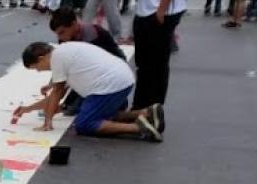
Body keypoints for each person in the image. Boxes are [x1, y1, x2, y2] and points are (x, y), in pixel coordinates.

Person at [14, 42, 163, 140]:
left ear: (41, 58)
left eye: (36, 68)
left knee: (84, 124)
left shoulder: (57, 59)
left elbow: (57, 94)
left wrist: (47, 122)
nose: (39, 71)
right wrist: (28, 109)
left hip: (110, 86)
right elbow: (54, 96)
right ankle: (145, 113)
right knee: (93, 112)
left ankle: (139, 128)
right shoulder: (63, 51)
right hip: (120, 80)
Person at [48, 6, 125, 114]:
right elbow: (64, 65)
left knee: (82, 111)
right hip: (95, 73)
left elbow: (81, 71)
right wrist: (52, 83)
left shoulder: (93, 35)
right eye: (57, 34)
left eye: (62, 32)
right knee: (72, 106)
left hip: (113, 75)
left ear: (74, 24)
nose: (60, 38)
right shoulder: (66, 38)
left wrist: (60, 96)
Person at [131, 0, 186, 109]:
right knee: (143, 64)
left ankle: (154, 107)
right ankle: (139, 106)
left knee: (156, 65)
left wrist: (161, 9)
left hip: (163, 11)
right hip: (143, 9)